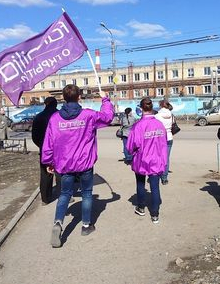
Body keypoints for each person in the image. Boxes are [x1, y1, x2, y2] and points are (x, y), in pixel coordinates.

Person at [42, 85, 113, 247]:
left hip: (65, 163)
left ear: (63, 98)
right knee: (87, 193)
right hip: (84, 162)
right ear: (79, 97)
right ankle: (86, 225)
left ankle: (58, 222)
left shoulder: (55, 118)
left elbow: (48, 142)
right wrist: (105, 99)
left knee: (65, 194)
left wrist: (48, 161)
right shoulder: (87, 115)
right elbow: (107, 117)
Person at [127, 97, 167, 224]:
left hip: (142, 160)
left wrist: (132, 152)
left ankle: (141, 207)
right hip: (157, 159)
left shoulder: (138, 126)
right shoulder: (159, 124)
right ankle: (155, 214)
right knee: (155, 187)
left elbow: (130, 145)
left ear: (141, 108)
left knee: (140, 184)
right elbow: (164, 142)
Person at [32, 97, 61, 205]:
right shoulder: (61, 115)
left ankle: (45, 198)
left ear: (46, 104)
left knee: (45, 174)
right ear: (56, 104)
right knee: (61, 173)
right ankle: (63, 196)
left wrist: (42, 146)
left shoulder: (39, 117)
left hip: (44, 150)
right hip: (60, 150)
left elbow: (34, 136)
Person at [155, 99, 173, 185]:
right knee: (166, 158)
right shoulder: (171, 114)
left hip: (160, 138)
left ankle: (158, 175)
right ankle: (165, 178)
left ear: (161, 105)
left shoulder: (158, 115)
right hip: (169, 137)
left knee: (158, 157)